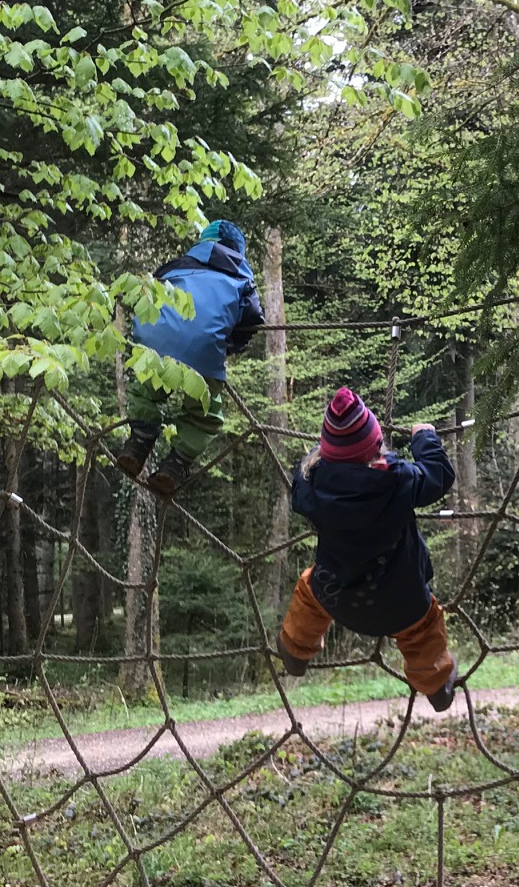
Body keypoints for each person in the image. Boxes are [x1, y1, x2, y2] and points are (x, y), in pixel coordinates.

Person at [278, 387, 460, 712]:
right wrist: (424, 438)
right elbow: (439, 476)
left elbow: (299, 482)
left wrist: (318, 455)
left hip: (337, 597)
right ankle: (436, 686)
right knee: (423, 632)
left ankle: (295, 650)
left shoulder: (313, 487)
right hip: (404, 604)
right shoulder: (398, 481)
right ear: (377, 445)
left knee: (309, 591)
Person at [120, 220, 264, 496]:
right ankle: (174, 466)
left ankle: (138, 443)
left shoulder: (175, 267)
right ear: (238, 250)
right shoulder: (240, 276)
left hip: (153, 345)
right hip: (202, 351)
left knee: (146, 390)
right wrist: (228, 346)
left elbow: (147, 296)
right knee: (204, 413)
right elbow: (253, 318)